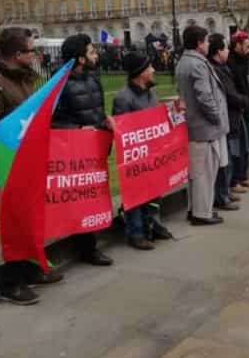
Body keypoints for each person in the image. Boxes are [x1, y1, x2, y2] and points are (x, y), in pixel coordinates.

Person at [0, 27, 62, 306]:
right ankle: (12, 281)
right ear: (17, 54)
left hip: (29, 160)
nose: (37, 54)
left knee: (30, 217)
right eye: (32, 50)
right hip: (9, 162)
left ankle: (29, 268)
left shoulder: (22, 79)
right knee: (14, 221)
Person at [52, 34, 114, 265]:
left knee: (94, 196)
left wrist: (103, 122)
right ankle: (87, 248)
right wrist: (78, 128)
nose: (95, 55)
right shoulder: (59, 85)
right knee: (80, 199)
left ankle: (90, 244)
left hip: (96, 146)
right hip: (75, 151)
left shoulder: (93, 79)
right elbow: (51, 121)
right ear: (80, 58)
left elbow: (97, 109)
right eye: (91, 52)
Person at [112, 52, 174, 249]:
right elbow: (123, 130)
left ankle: (153, 225)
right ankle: (136, 233)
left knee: (154, 192)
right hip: (136, 156)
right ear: (140, 73)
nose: (154, 70)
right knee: (136, 194)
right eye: (149, 67)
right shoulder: (124, 98)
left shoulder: (150, 93)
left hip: (152, 153)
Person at [176, 26, 229, 225]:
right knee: (204, 174)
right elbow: (204, 97)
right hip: (204, 127)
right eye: (206, 41)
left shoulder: (184, 62)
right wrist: (216, 117)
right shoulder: (198, 64)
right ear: (199, 43)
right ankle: (202, 213)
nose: (208, 44)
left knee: (196, 173)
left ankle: (195, 209)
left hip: (194, 127)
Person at [207, 34, 241, 211]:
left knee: (227, 157)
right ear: (219, 51)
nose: (228, 51)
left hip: (229, 117)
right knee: (223, 159)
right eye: (226, 48)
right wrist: (244, 100)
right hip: (223, 118)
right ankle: (222, 195)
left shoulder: (222, 67)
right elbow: (229, 93)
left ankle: (225, 191)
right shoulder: (216, 69)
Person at [226, 31, 249, 191]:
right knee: (236, 147)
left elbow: (247, 83)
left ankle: (243, 176)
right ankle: (234, 180)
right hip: (235, 109)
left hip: (245, 107)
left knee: (246, 145)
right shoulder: (230, 62)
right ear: (237, 45)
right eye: (247, 46)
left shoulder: (246, 60)